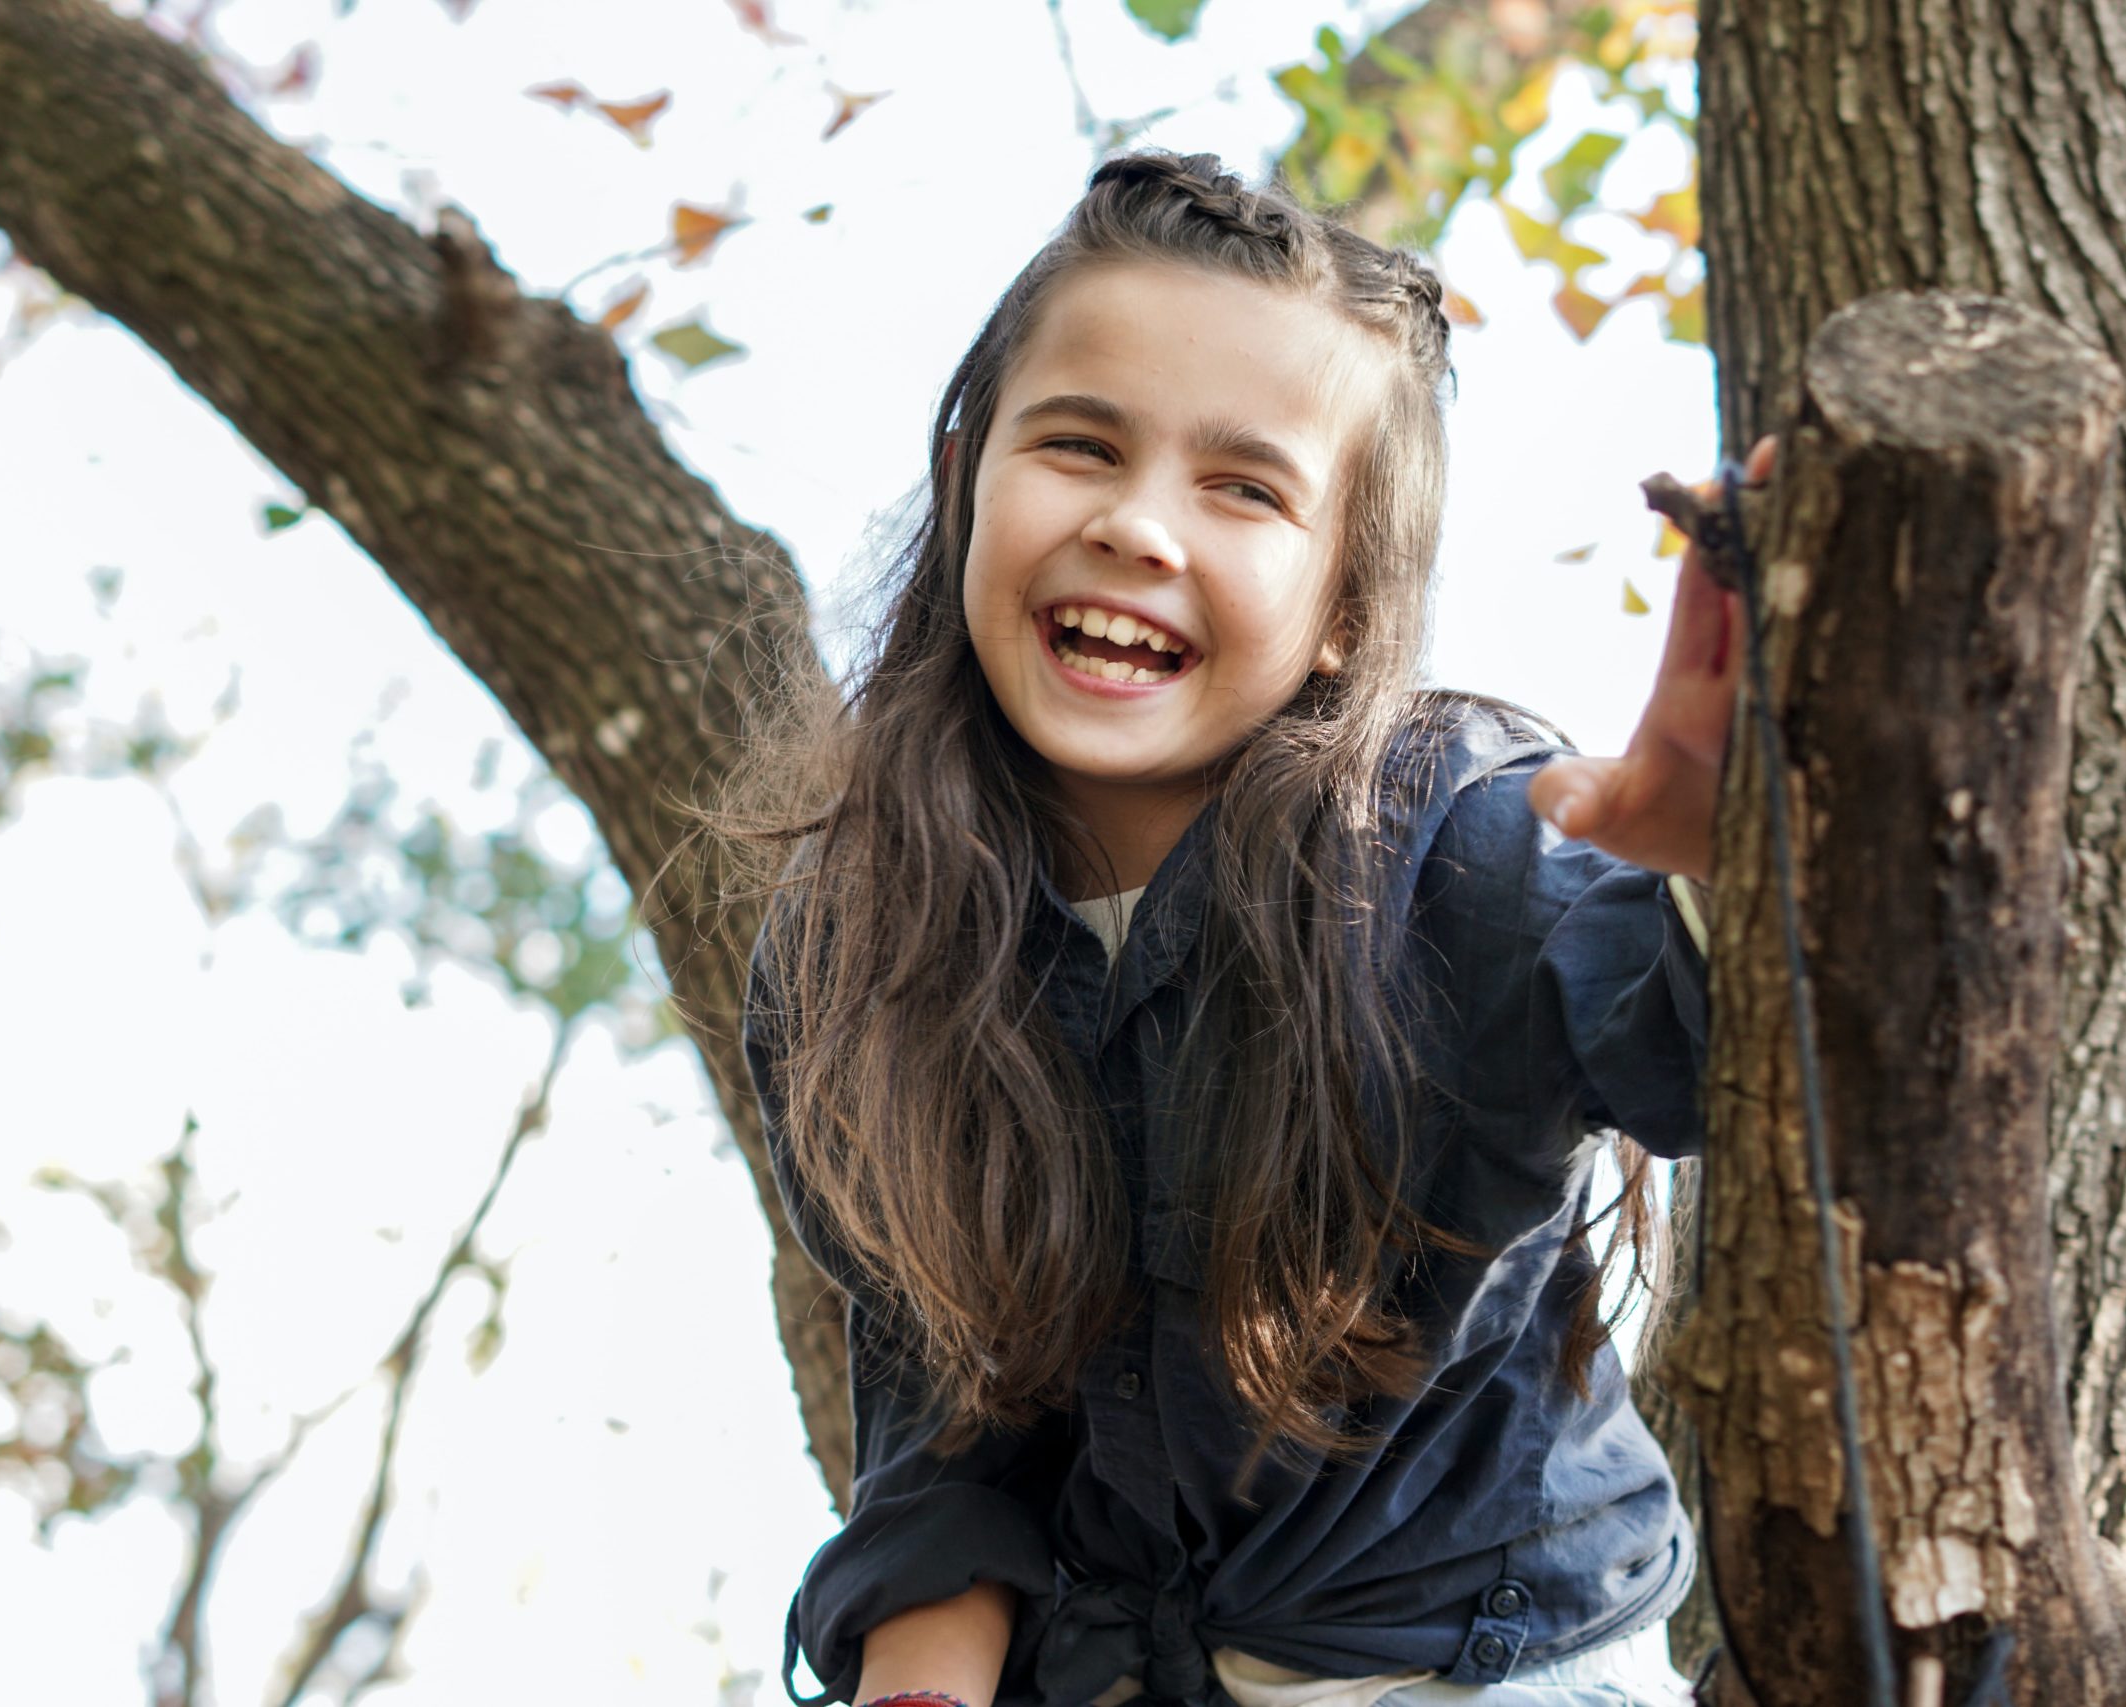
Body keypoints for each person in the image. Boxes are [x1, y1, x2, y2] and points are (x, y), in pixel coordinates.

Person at [722, 150, 1769, 1707]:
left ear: (1349, 598)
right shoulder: (851, 958)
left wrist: (1728, 873)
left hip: (1495, 1675)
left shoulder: (1466, 845)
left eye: (1245, 487)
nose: (1141, 527)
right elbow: (948, 1442)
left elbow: (1719, 1061)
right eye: (1080, 446)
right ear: (966, 481)